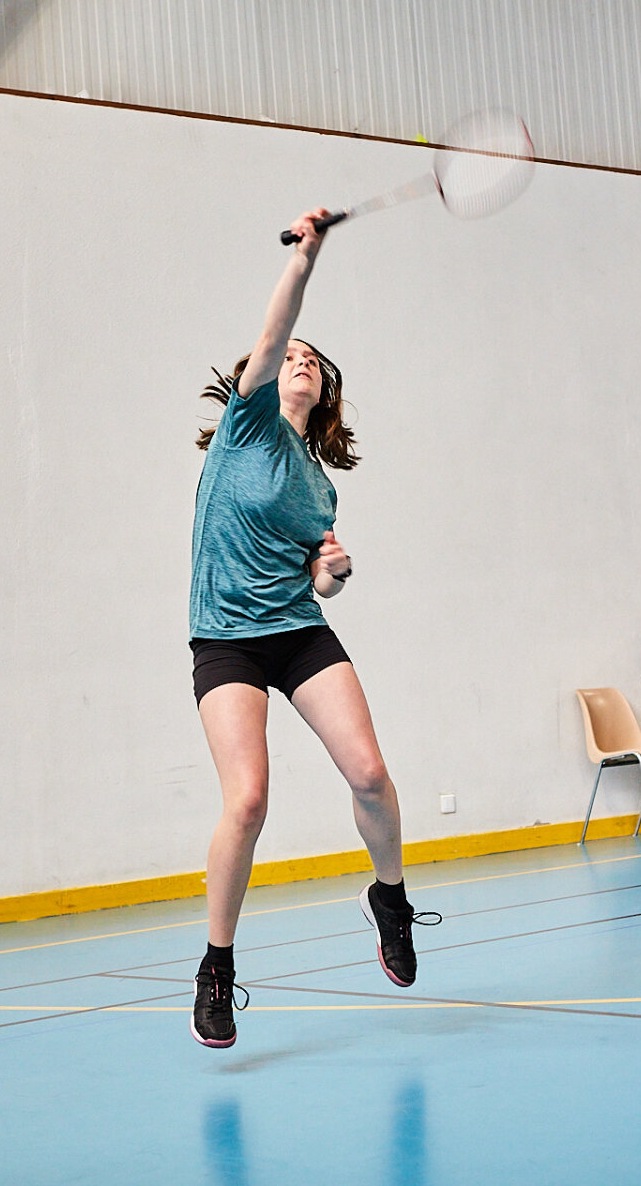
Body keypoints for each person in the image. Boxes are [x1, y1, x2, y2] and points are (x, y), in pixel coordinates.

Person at [186, 209, 436, 1048]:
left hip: (294, 629)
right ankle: (216, 967)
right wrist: (305, 257)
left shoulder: (319, 488)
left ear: (325, 391)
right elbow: (275, 326)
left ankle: (390, 899)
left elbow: (317, 581)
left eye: (312, 361)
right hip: (226, 636)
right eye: (290, 354)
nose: (298, 358)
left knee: (369, 774)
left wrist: (332, 570)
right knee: (249, 799)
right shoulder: (246, 424)